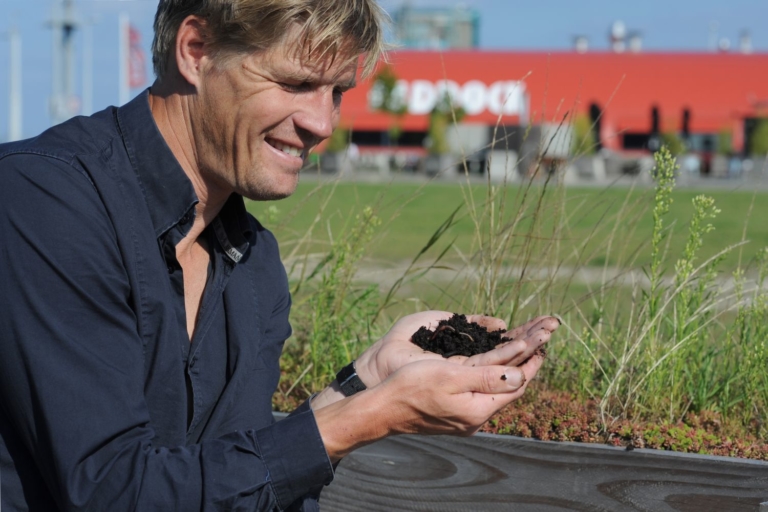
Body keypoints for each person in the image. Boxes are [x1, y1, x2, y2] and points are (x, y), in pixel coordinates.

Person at [0, 1, 559, 510]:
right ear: (196, 51)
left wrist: (366, 381)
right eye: (296, 83)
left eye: (336, 92)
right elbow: (110, 490)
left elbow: (227, 479)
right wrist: (370, 417)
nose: (322, 124)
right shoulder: (44, 201)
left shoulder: (253, 262)